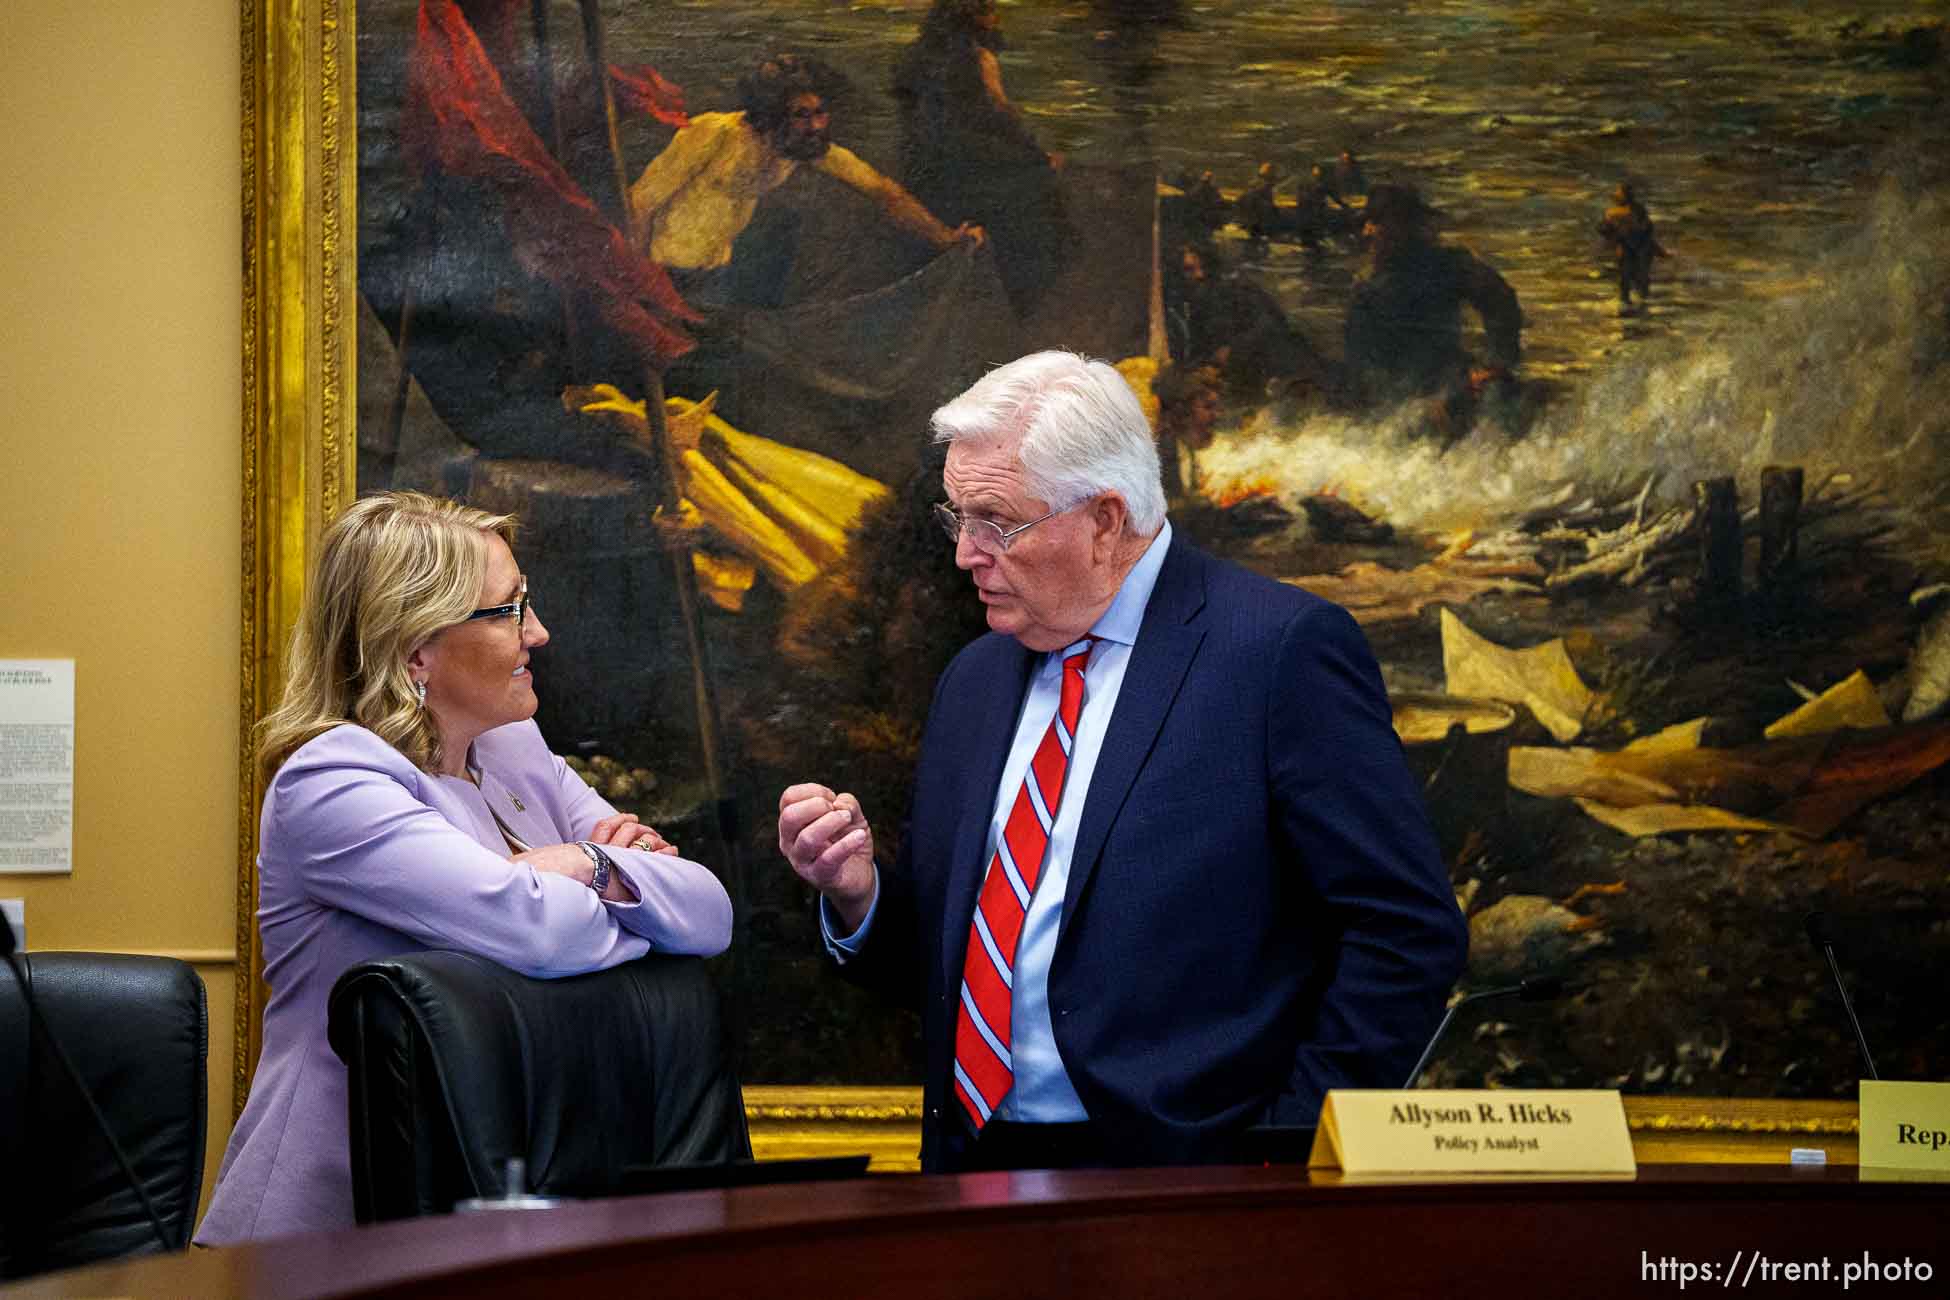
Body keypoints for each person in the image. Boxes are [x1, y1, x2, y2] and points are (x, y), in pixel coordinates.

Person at [777, 352, 1466, 1172]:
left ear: (1106, 519)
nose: (967, 553)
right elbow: (963, 963)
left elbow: (1405, 931)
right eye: (956, 517)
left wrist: (1286, 1152)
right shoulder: (975, 679)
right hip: (971, 1176)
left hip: (1193, 1188)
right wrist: (858, 897)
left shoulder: (1276, 653)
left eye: (997, 521)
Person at [196, 492, 733, 1243]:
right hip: (330, 1227)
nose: (538, 633)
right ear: (416, 649)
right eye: (509, 611)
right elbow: (543, 933)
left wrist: (584, 864)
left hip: (477, 1204)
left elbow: (709, 912)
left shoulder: (514, 751)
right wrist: (616, 887)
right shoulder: (332, 782)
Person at [628, 54, 982, 307]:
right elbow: (640, 203)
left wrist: (947, 238)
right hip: (661, 273)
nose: (815, 126)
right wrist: (642, 279)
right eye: (801, 115)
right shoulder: (714, 133)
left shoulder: (804, 148)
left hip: (713, 279)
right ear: (772, 114)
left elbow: (884, 192)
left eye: (819, 113)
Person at [892, 0, 1071, 315]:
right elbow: (1002, 117)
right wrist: (1040, 157)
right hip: (968, 169)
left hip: (925, 169)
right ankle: (1025, 297)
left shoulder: (913, 57)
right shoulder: (979, 59)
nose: (996, 16)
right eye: (990, 10)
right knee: (1040, 185)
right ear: (973, 17)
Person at [1343, 183, 1523, 437]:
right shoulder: (1365, 289)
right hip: (1398, 399)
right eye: (1368, 223)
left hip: (1452, 379)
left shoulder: (1446, 264)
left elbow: (1500, 300)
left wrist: (1495, 363)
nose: (1368, 231)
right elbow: (1361, 367)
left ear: (1405, 227)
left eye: (1378, 222)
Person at [1596, 182, 1667, 316]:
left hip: (1641, 248)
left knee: (1640, 279)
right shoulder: (1613, 212)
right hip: (1629, 248)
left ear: (1626, 196)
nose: (1615, 195)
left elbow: (1646, 230)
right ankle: (1630, 309)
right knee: (1627, 279)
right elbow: (1604, 230)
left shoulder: (1633, 211)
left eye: (1619, 193)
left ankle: (1640, 309)